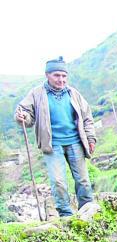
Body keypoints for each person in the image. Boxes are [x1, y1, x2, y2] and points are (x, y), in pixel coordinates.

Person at [14, 56, 96, 217]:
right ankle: (65, 215)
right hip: (52, 144)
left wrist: (91, 138)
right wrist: (22, 117)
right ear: (47, 75)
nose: (61, 79)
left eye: (64, 76)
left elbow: (87, 117)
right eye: (56, 75)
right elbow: (26, 115)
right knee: (58, 181)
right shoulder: (37, 93)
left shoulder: (73, 94)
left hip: (75, 142)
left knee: (83, 180)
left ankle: (87, 211)